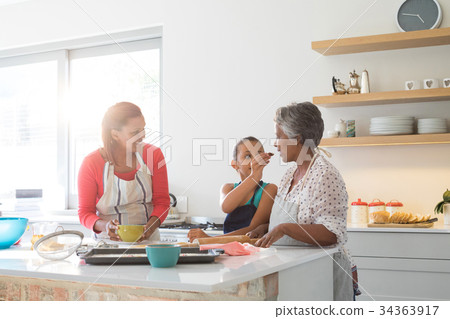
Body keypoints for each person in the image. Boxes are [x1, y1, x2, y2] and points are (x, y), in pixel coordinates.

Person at [247, 102, 359, 301]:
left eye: (279, 136)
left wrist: (284, 228)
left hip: (322, 276)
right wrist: (266, 228)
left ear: (297, 139)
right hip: (296, 275)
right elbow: (294, 219)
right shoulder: (289, 174)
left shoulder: (324, 174)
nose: (274, 143)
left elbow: (332, 233)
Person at [77, 102, 170, 242]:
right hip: (107, 243)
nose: (143, 136)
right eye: (135, 132)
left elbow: (162, 202)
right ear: (115, 134)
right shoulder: (91, 163)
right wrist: (106, 226)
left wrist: (150, 227)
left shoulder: (153, 155)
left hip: (148, 242)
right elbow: (85, 213)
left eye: (143, 129)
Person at [188, 137, 277, 242]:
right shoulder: (227, 188)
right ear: (235, 165)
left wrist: (210, 239)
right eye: (248, 156)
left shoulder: (269, 189)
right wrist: (254, 177)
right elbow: (226, 207)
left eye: (258, 155)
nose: (254, 160)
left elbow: (253, 230)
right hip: (229, 249)